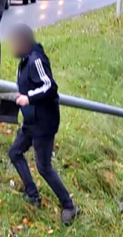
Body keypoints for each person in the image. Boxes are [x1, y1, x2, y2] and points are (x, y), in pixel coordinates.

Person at [8, 24, 78, 225]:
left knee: (44, 167)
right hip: (31, 122)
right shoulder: (24, 60)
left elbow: (50, 86)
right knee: (15, 152)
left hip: (44, 124)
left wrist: (28, 98)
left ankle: (69, 206)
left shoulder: (36, 60)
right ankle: (32, 194)